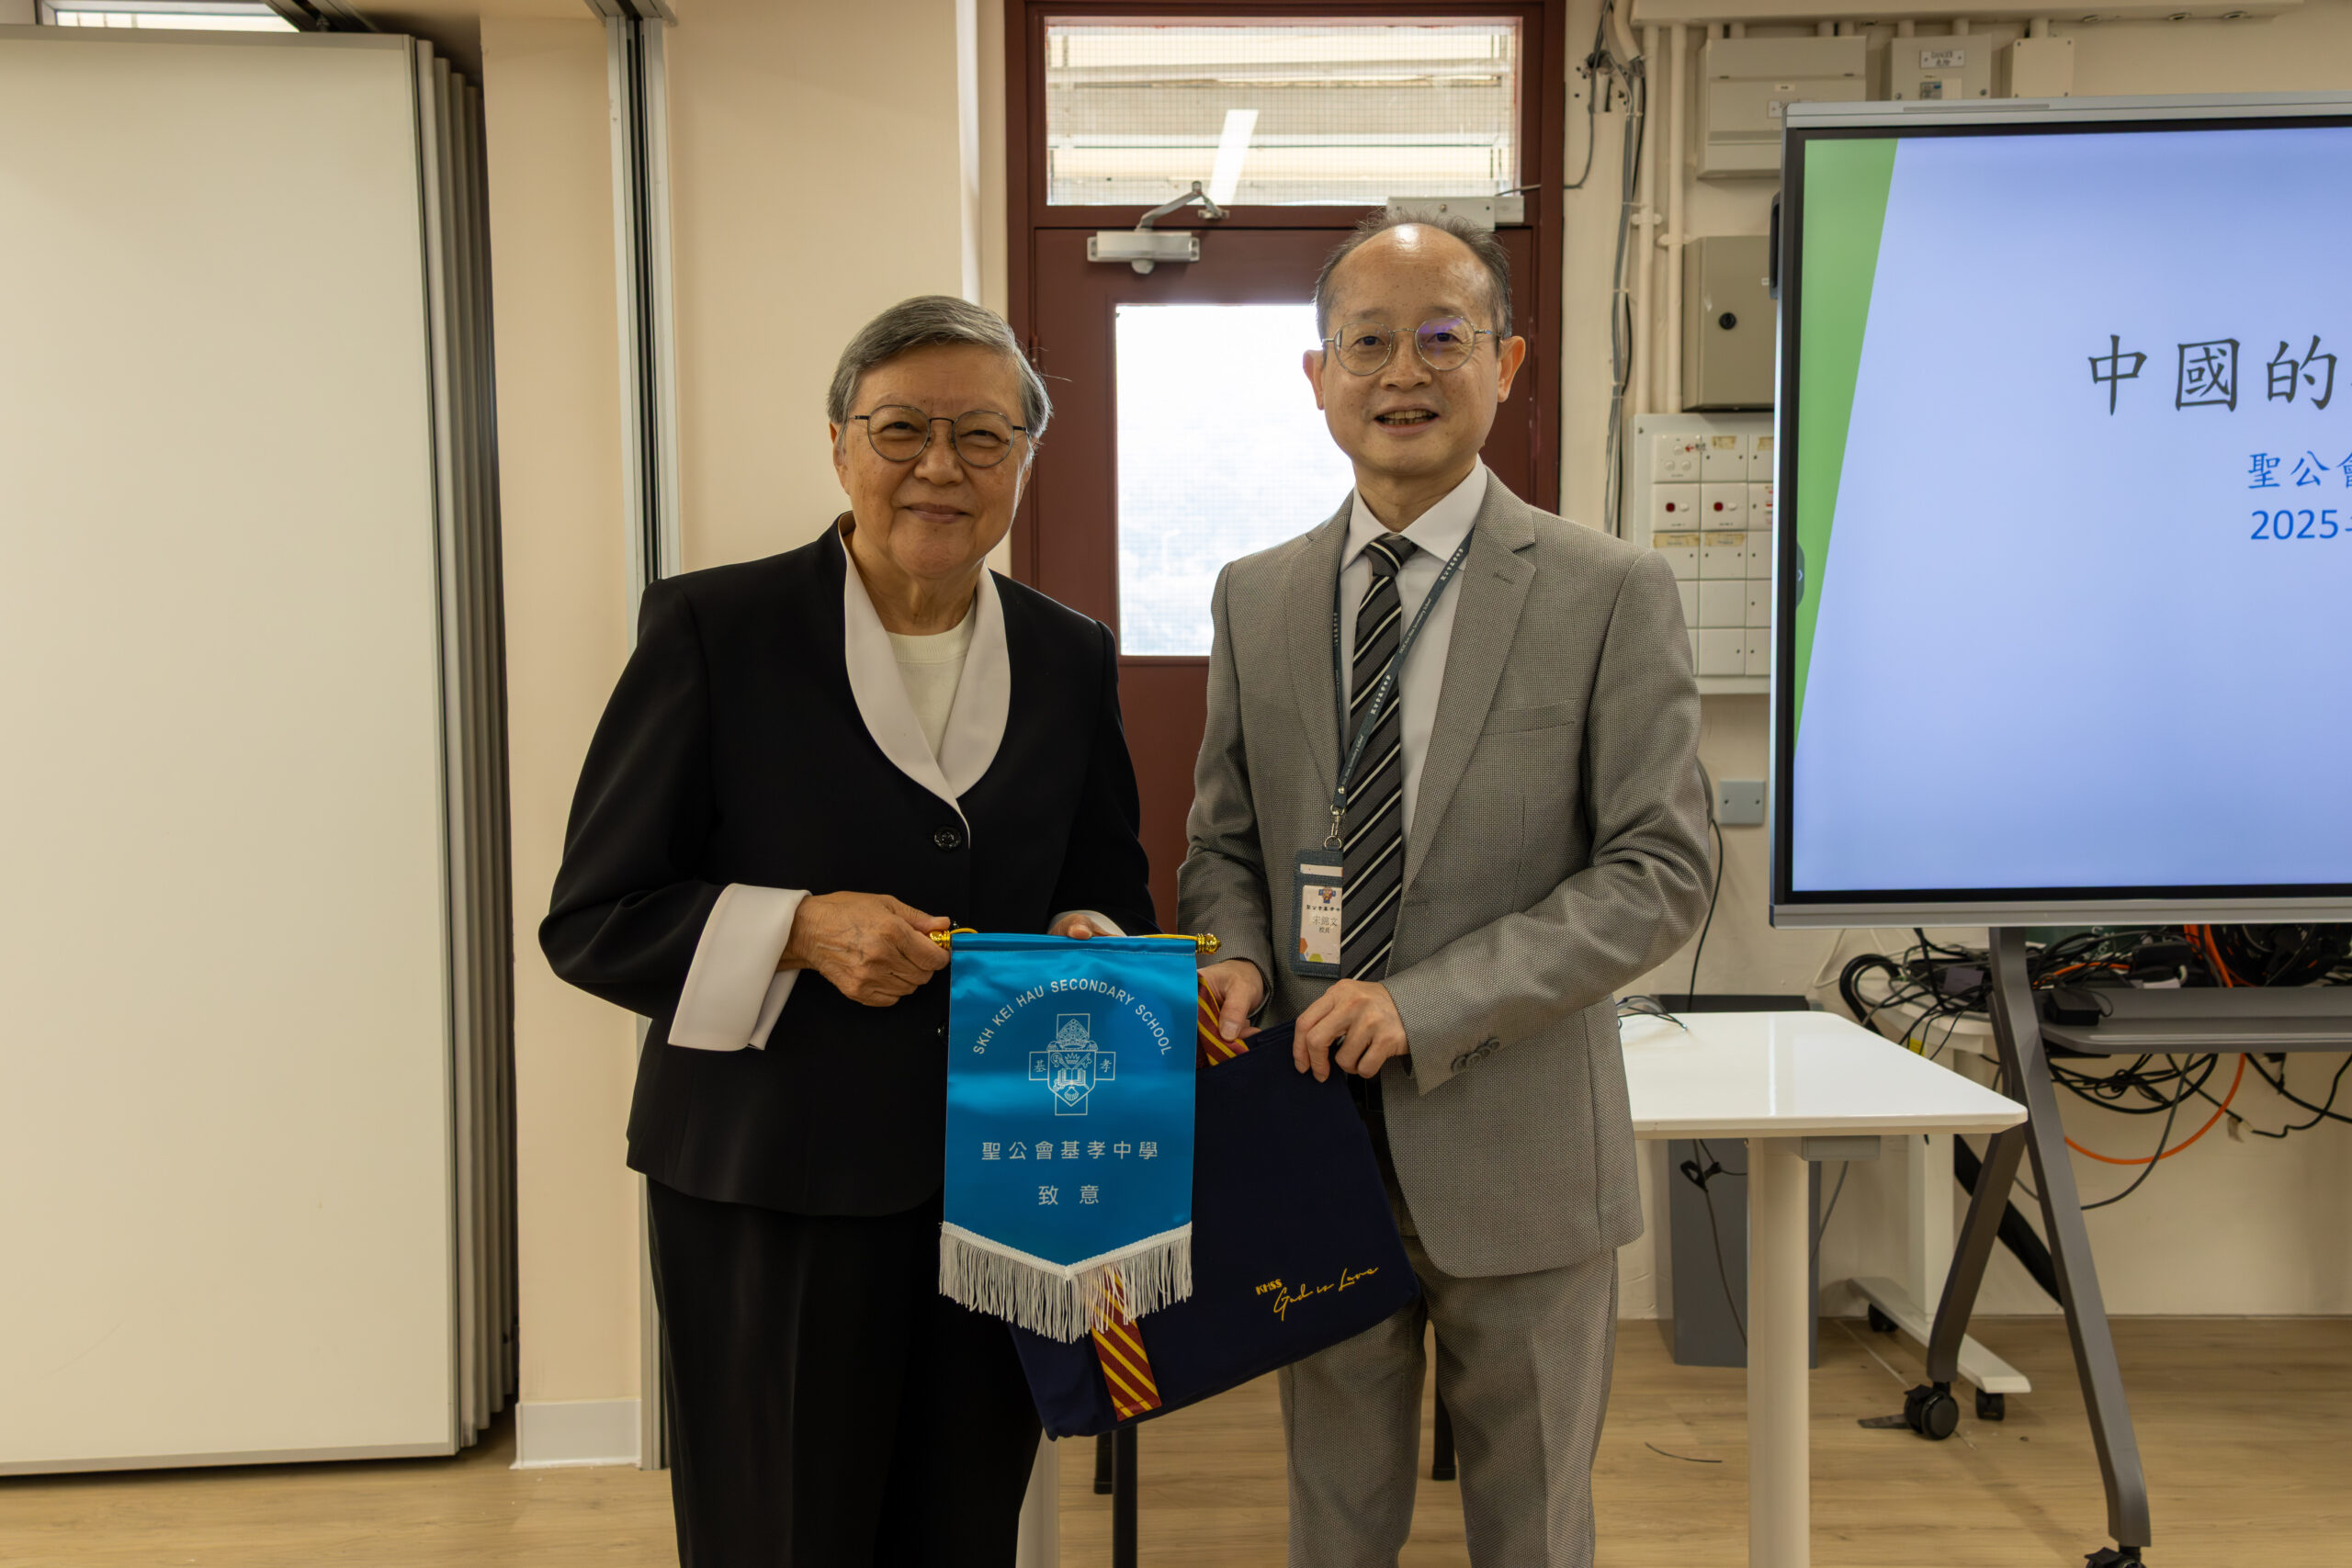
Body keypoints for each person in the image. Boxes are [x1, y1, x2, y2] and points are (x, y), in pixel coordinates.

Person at [541, 295, 1156, 1566]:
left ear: (1025, 461)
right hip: (772, 1183)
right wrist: (797, 930)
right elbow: (595, 916)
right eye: (902, 430)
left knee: (962, 1524)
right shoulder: (717, 630)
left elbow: (1108, 885)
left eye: (982, 436)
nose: (941, 466)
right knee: (780, 1527)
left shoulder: (1068, 654)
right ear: (838, 446)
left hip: (1003, 1187)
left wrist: (1088, 934)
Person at [1180, 215, 1712, 1567]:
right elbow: (1224, 843)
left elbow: (1660, 872)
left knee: (1533, 1532)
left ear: (1507, 362)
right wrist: (1231, 953)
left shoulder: (1608, 591)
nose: (1402, 374)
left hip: (1524, 1153)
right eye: (1367, 343)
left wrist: (1426, 1005)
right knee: (1334, 1528)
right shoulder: (1256, 597)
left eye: (1441, 338)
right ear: (1318, 376)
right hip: (1313, 1141)